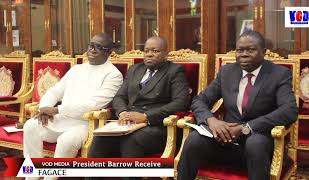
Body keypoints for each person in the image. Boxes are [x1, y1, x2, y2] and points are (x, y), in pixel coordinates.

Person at [177, 31, 298, 180]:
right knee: (194, 139)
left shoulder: (279, 74)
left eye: (251, 50)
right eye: (240, 50)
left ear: (264, 52)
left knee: (255, 143)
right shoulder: (227, 72)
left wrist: (245, 128)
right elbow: (199, 100)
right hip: (226, 140)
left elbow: (289, 110)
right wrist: (212, 121)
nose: (244, 54)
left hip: (259, 141)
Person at [23, 33, 123, 161]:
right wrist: (44, 108)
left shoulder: (113, 75)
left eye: (98, 47)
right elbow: (54, 91)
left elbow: (94, 104)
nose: (92, 49)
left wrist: (56, 110)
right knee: (30, 126)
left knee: (67, 140)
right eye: (91, 45)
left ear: (109, 52)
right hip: (61, 118)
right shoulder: (77, 69)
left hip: (84, 123)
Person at [88, 36, 189, 159]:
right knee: (100, 139)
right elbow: (119, 96)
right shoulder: (135, 69)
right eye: (146, 51)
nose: (149, 55)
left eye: (155, 51)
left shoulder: (175, 71)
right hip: (127, 122)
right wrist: (123, 112)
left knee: (131, 141)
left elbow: (181, 102)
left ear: (166, 54)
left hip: (156, 125)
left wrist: (146, 117)